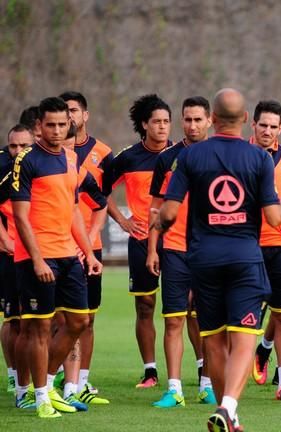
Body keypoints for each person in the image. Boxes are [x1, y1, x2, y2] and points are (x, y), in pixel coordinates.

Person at [156, 88, 281, 431]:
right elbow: (273, 218)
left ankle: (229, 417)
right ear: (246, 121)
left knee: (214, 340)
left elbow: (169, 213)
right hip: (243, 258)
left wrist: (157, 222)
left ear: (213, 119)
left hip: (203, 261)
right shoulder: (259, 159)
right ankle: (229, 406)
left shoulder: (191, 157)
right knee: (243, 337)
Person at [11, 97, 102, 418]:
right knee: (38, 328)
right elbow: (21, 216)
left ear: (70, 125)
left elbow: (74, 210)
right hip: (37, 257)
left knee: (79, 321)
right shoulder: (26, 159)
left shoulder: (71, 158)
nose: (57, 130)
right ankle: (39, 398)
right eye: (50, 124)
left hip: (69, 256)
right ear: (39, 126)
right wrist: (36, 260)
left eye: (62, 124)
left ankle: (48, 383)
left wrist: (88, 252)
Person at [146, 96, 215, 408]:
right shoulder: (166, 159)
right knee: (174, 319)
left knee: (208, 321)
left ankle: (207, 384)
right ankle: (174, 389)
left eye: (198, 119)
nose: (192, 125)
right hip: (174, 250)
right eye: (187, 119)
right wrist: (152, 249)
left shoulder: (219, 156)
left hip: (210, 250)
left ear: (209, 120)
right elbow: (156, 210)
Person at [107, 94, 171, 388]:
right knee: (145, 305)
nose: (162, 127)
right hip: (142, 239)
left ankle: (201, 371)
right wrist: (122, 221)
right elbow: (98, 189)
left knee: (189, 306)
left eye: (166, 122)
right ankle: (150, 371)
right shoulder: (128, 157)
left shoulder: (182, 154)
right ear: (144, 124)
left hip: (176, 242)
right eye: (156, 122)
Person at [58, 91, 112, 405]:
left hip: (85, 250)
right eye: (64, 112)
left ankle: (79, 384)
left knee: (85, 319)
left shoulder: (99, 155)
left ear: (84, 115)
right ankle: (39, 385)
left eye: (74, 110)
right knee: (55, 321)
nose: (69, 116)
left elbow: (101, 200)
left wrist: (90, 239)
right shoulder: (38, 160)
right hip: (52, 251)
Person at [248, 100, 281, 401]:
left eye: (273, 126)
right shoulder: (241, 156)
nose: (267, 131)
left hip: (280, 247)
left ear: (280, 129)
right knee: (239, 317)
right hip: (247, 247)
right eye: (263, 125)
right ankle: (223, 379)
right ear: (252, 125)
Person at [0, 125, 32, 399]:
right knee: (15, 320)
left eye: (24, 146)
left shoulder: (39, 170)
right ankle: (16, 379)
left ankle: (41, 380)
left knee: (41, 320)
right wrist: (5, 240)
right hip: (10, 256)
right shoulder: (5, 174)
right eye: (13, 147)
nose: (18, 152)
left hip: (39, 254)